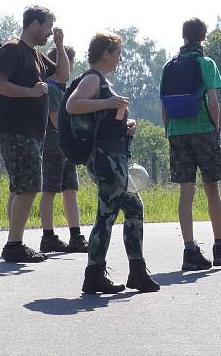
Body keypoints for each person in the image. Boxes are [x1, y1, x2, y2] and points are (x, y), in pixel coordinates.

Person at [67, 32, 159, 293]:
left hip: (114, 156)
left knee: (133, 208)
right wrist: (109, 102)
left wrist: (124, 125)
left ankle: (136, 271)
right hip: (106, 159)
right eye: (118, 52)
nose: (120, 57)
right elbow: (73, 106)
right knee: (106, 215)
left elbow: (103, 122)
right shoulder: (92, 79)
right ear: (105, 53)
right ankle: (95, 274)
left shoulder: (101, 80)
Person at [0, 5, 70, 263]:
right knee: (28, 186)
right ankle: (14, 245)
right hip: (15, 129)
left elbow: (61, 74)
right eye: (48, 26)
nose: (49, 32)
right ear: (34, 23)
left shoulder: (35, 54)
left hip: (31, 132)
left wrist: (59, 46)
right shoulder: (12, 49)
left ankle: (14, 239)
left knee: (19, 186)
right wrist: (31, 92)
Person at [162, 18, 221, 271]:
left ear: (183, 37)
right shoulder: (206, 63)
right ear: (203, 37)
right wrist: (216, 127)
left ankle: (190, 249)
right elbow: (213, 102)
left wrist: (169, 132)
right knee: (211, 190)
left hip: (177, 132)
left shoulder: (169, 66)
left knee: (186, 192)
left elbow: (165, 106)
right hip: (204, 130)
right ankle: (220, 247)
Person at [38, 46, 88, 254]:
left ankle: (75, 235)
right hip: (53, 146)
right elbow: (55, 119)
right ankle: (48, 236)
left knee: (70, 190)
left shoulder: (62, 88)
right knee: (50, 189)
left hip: (65, 147)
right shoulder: (51, 87)